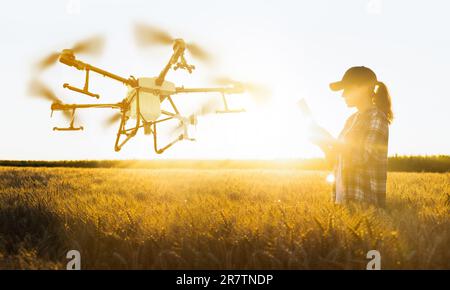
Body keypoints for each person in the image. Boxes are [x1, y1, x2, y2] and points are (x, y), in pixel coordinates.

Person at [309, 66, 393, 207]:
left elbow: (364, 157)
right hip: (342, 200)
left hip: (365, 203)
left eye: (347, 89)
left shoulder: (377, 118)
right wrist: (322, 144)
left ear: (363, 88)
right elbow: (336, 161)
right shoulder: (351, 120)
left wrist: (330, 140)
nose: (342, 95)